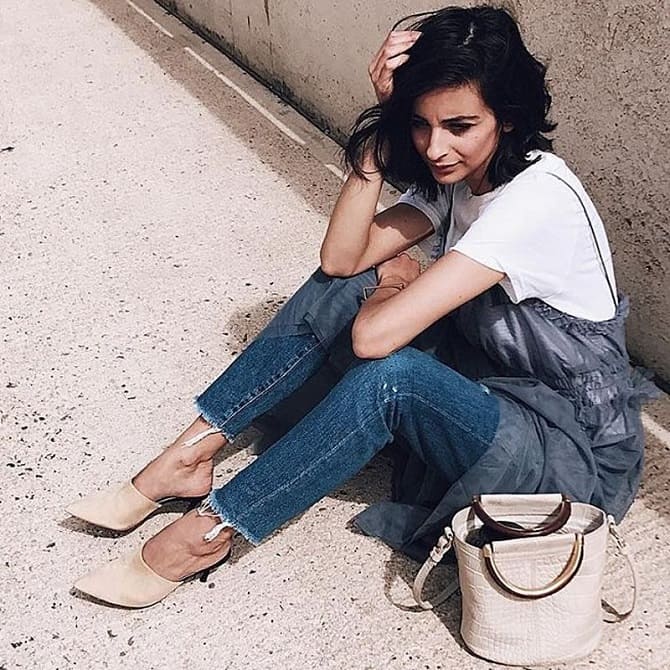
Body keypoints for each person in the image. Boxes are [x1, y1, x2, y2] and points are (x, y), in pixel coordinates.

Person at [68, 6, 655, 608]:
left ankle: (207, 536)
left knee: (390, 376)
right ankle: (190, 453)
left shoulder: (535, 203)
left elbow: (374, 340)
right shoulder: (465, 175)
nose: (435, 147)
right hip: (494, 388)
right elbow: (341, 258)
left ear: (507, 117)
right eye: (421, 124)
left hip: (568, 450)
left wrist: (394, 283)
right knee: (346, 284)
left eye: (459, 125)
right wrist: (382, 126)